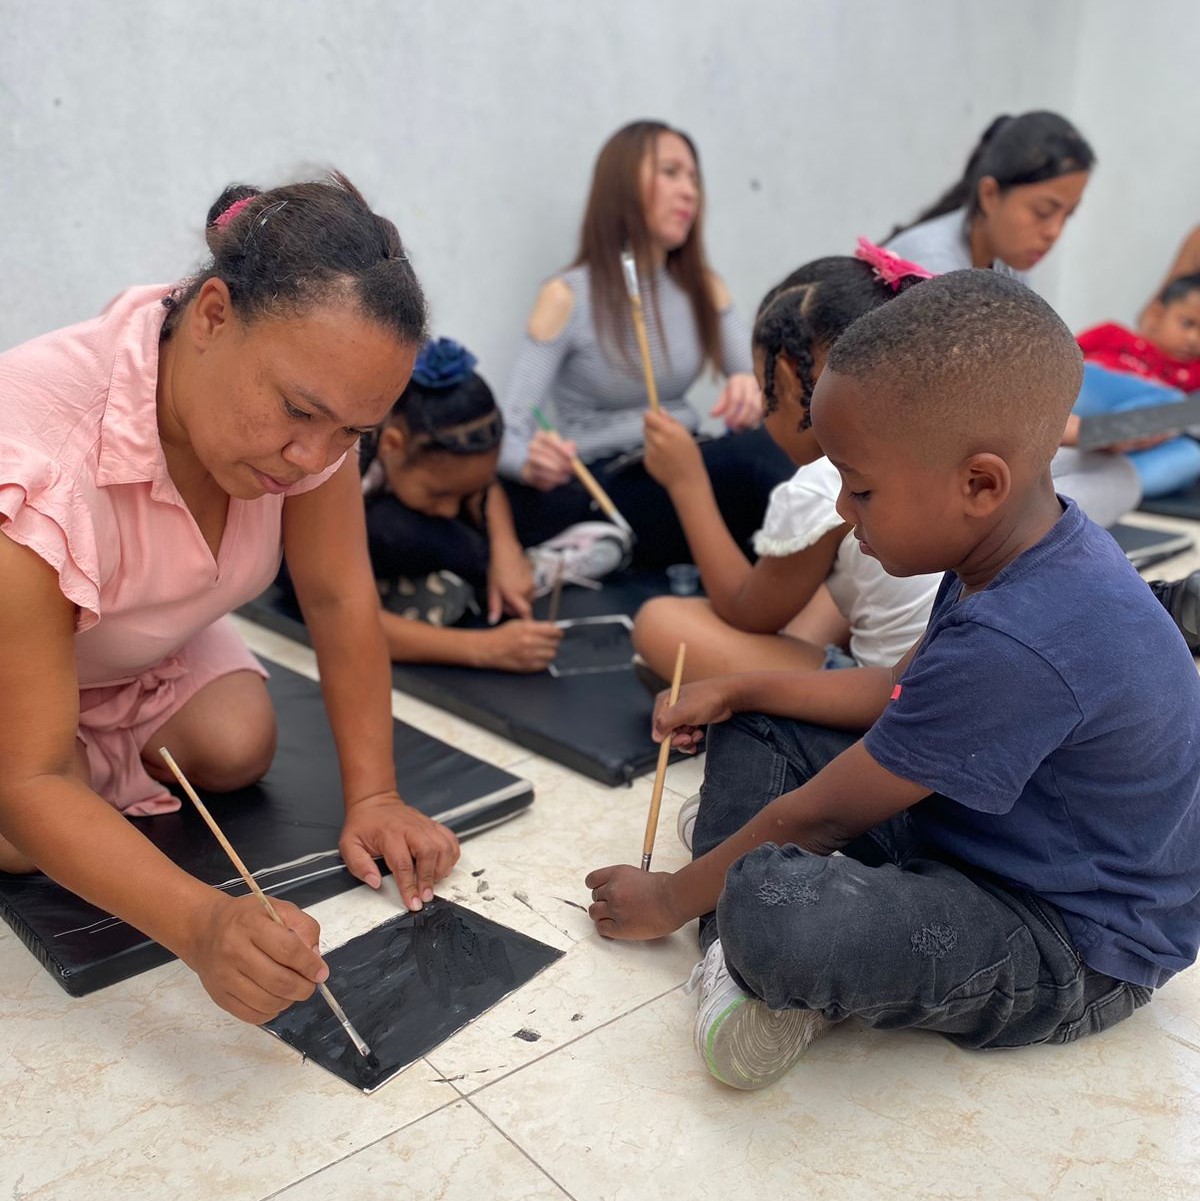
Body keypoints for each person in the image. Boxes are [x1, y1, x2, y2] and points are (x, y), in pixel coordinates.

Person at [584, 271, 1200, 1090]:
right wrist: (739, 691)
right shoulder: (1008, 548)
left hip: (1070, 940)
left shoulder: (1022, 632)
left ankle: (742, 943)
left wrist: (667, 900)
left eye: (862, 487)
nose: (843, 508)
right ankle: (745, 941)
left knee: (772, 904)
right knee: (755, 716)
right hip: (981, 833)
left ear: (979, 484)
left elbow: (825, 809)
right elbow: (894, 693)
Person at [0, 173, 461, 1027]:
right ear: (211, 315)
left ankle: (85, 772)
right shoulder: (35, 451)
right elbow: (26, 776)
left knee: (237, 738)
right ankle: (72, 779)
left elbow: (336, 592)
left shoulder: (315, 426)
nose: (309, 457)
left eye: (349, 434)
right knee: (23, 828)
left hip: (124, 647)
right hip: (19, 652)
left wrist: (377, 796)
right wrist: (202, 922)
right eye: (297, 412)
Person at [633, 242, 940, 686]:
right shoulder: (933, 440)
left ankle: (770, 707)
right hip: (957, 688)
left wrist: (687, 482)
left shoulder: (825, 481)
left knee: (659, 623)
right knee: (833, 592)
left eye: (763, 385)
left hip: (884, 707)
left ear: (791, 381)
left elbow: (744, 609)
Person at [498, 119, 795, 570]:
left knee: (782, 448)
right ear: (622, 185)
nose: (689, 192)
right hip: (611, 478)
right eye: (671, 172)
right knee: (755, 466)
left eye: (694, 178)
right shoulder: (566, 296)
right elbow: (507, 434)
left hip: (686, 457)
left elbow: (762, 384)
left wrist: (752, 389)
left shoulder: (703, 286)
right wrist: (530, 462)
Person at [887, 111, 1140, 527]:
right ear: (990, 195)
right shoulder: (931, 263)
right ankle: (1020, 528)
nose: (1054, 231)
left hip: (982, 450)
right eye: (1044, 212)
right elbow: (960, 407)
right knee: (1065, 477)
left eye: (1067, 216)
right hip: (923, 456)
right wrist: (1072, 430)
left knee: (1119, 475)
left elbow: (1020, 376)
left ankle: (1028, 524)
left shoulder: (1005, 261)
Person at [352, 336, 579, 672]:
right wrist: (484, 649)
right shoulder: (344, 467)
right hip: (326, 560)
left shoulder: (427, 455)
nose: (448, 510)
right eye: (439, 494)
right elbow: (333, 613)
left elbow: (486, 488)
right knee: (393, 528)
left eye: (462, 495)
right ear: (392, 446)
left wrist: (507, 551)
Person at [1073, 273, 1200, 497]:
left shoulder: (1194, 372)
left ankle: (1102, 487)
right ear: (1156, 314)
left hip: (1133, 439)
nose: (1193, 339)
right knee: (1175, 405)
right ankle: (1103, 437)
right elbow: (1060, 360)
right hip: (1079, 395)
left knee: (1192, 454)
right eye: (1187, 323)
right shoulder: (1113, 335)